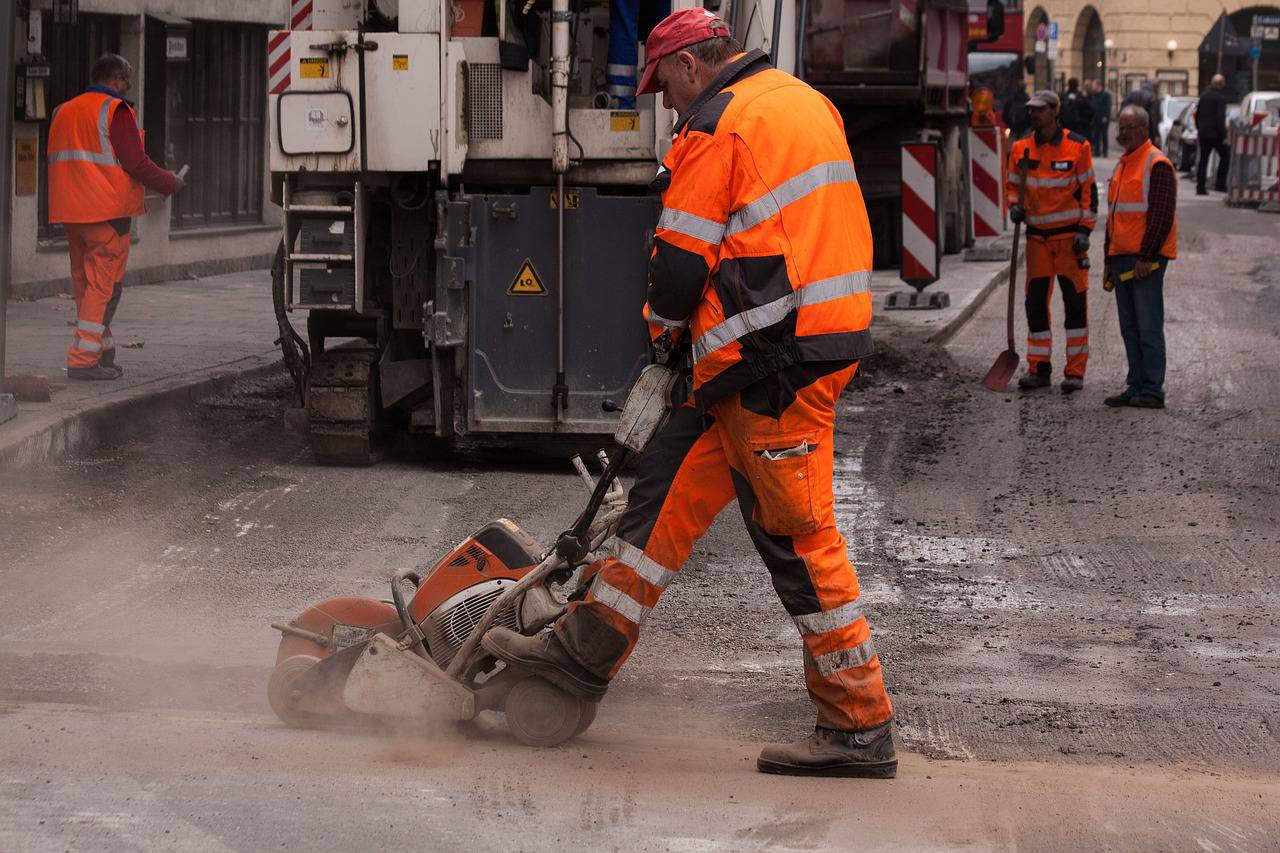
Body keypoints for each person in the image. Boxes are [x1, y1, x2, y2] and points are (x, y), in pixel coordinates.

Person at [482, 8, 896, 778]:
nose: (663, 101)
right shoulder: (804, 101)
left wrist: (663, 341)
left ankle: (859, 724)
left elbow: (679, 265)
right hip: (767, 354)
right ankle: (579, 657)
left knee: (798, 542)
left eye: (662, 84)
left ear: (690, 66)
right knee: (656, 508)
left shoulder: (716, 123)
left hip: (773, 363)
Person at [46, 54, 184, 381]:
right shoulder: (115, 110)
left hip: (71, 211)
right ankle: (82, 360)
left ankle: (101, 349)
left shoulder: (63, 111)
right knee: (104, 287)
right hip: (107, 213)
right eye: (127, 82)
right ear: (118, 79)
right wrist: (170, 182)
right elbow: (135, 163)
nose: (127, 89)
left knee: (86, 284)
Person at [1005, 90, 1098, 393]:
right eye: (1031, 109)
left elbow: (1089, 192)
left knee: (1074, 305)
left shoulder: (1078, 146)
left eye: (1041, 110)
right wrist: (1013, 206)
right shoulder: (1020, 149)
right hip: (1037, 241)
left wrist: (1085, 230)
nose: (1034, 114)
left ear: (1055, 112)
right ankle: (1039, 368)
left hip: (1069, 240)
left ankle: (1074, 372)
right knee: (1035, 304)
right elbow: (1012, 186)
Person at [1103, 106, 1177, 409]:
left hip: (1145, 259)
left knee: (1147, 325)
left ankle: (1152, 389)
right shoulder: (1123, 165)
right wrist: (1108, 259)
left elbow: (1160, 215)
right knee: (1130, 327)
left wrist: (1146, 256)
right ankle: (1135, 385)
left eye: (1128, 127)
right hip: (1122, 257)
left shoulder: (1156, 163)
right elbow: (1115, 216)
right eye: (1120, 127)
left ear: (1144, 129)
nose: (1121, 133)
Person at [1194, 73, 1231, 195]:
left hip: (1203, 133)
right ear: (1221, 85)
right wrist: (1224, 135)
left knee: (1203, 160)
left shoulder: (1204, 96)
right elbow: (1220, 118)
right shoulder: (1221, 98)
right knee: (1225, 156)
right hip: (1216, 134)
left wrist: (1199, 128)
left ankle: (1200, 187)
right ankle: (1220, 184)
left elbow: (1197, 114)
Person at [1121, 81, 1161, 146]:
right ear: (1155, 87)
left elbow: (1122, 109)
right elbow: (1154, 117)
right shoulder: (1152, 97)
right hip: (1147, 131)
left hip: (1132, 128)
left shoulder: (1132, 94)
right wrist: (1156, 134)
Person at [1088, 79, 1112, 157]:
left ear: (1098, 86)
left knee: (1104, 134)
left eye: (1094, 85)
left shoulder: (1106, 95)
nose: (1092, 87)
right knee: (1096, 134)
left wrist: (1105, 116)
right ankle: (1097, 151)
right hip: (1096, 117)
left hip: (1103, 118)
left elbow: (1107, 106)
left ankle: (1105, 152)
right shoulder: (1094, 95)